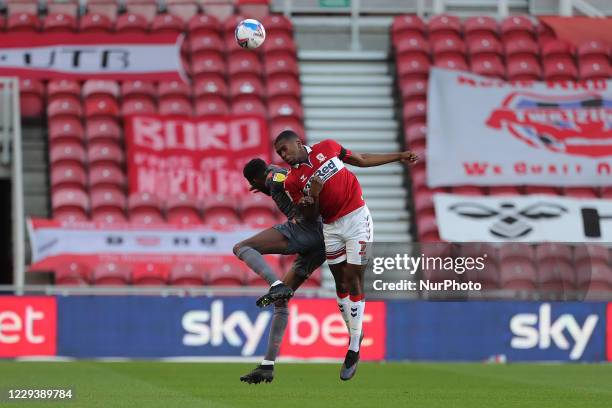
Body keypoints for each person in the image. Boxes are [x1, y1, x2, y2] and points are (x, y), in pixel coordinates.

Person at [274, 130, 418, 381]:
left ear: (298, 143)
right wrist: (315, 195)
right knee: (340, 283)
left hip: (357, 219)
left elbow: (361, 159)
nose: (283, 155)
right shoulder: (292, 181)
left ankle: (353, 345)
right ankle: (356, 332)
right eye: (279, 153)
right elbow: (310, 217)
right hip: (331, 227)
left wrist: (399, 156)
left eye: (285, 149)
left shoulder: (328, 147)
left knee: (354, 278)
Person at [234, 158, 332, 384]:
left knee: (241, 247)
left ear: (255, 178)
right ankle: (267, 366)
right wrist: (267, 189)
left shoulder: (274, 177)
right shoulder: (272, 178)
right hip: (322, 243)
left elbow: (285, 182)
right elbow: (286, 185)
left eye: (253, 183)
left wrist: (271, 185)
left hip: (304, 229)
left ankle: (275, 284)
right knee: (281, 302)